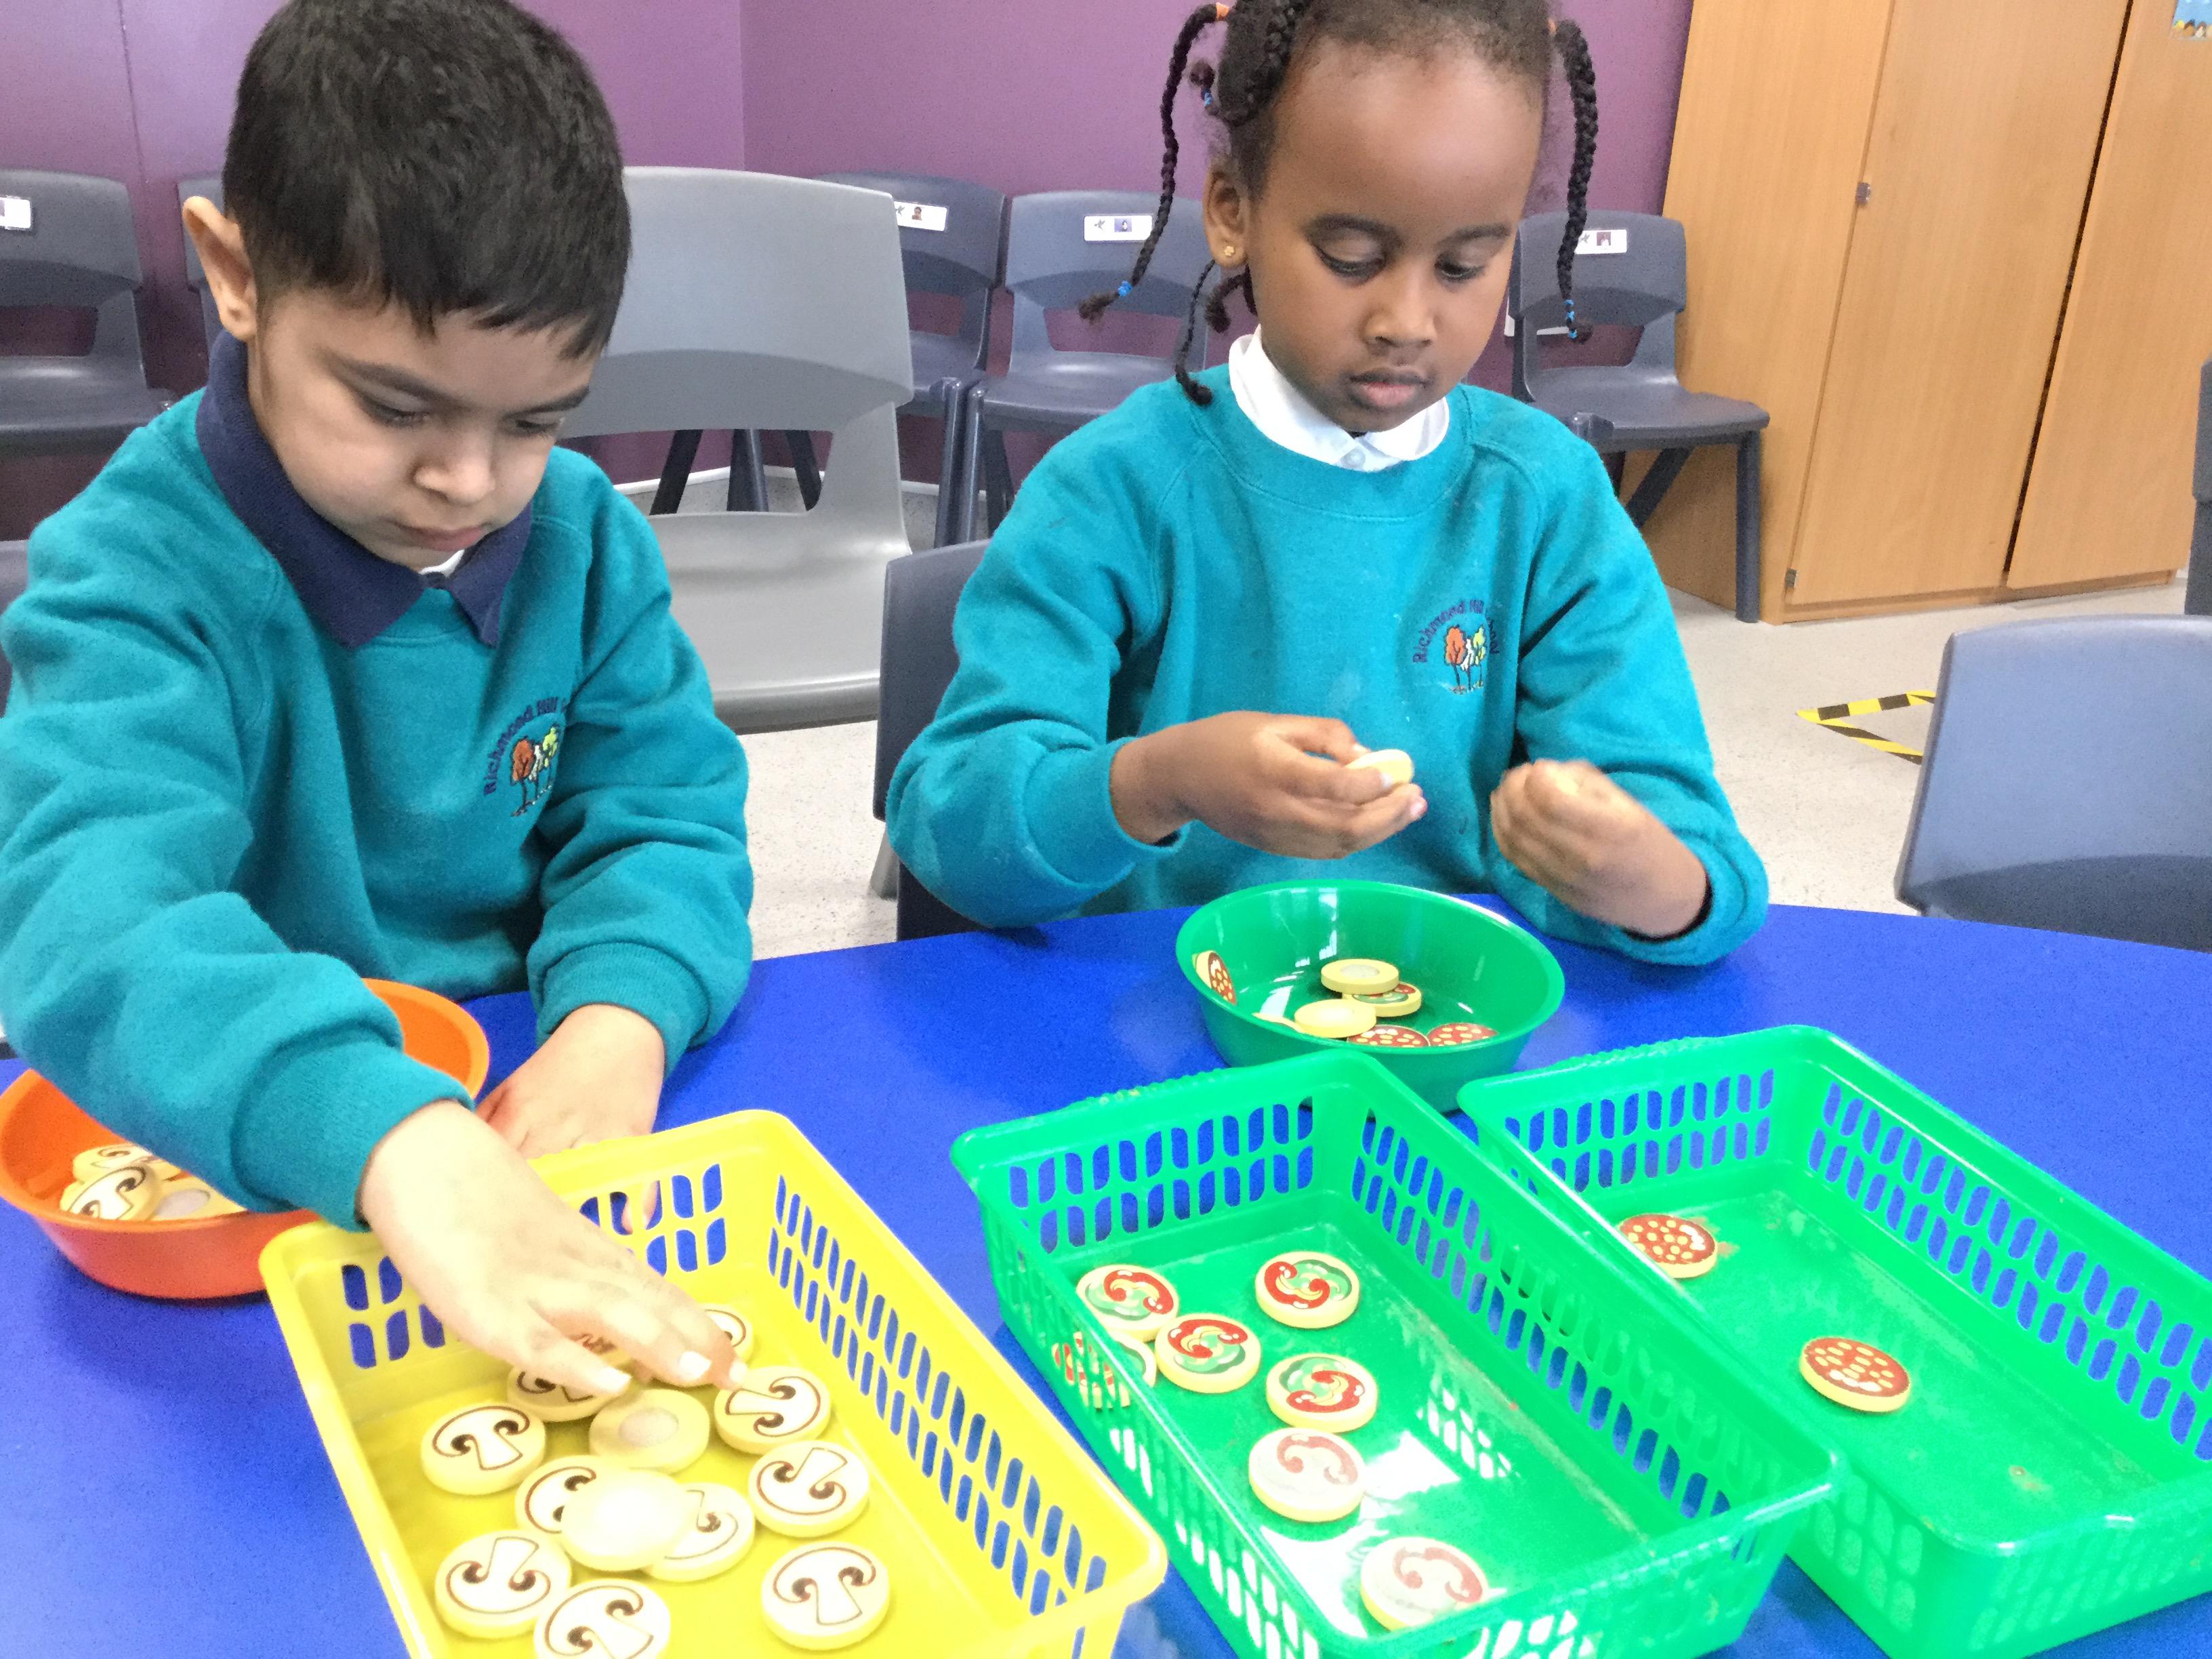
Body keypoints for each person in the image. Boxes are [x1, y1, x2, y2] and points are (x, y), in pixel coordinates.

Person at [0, 0, 751, 1396]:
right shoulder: (130, 570)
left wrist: (621, 1019)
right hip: (254, 1133)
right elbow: (86, 915)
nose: (468, 482)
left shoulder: (586, 542)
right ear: (237, 276)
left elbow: (665, 817)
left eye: (535, 420)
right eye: (398, 408)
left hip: (524, 1093)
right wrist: (391, 1136)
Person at [889, 0, 1765, 966]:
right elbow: (953, 824)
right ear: (1233, 212)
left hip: (1444, 1021)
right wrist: (1156, 781)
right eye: (1352, 259)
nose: (1406, 321)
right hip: (1161, 1014)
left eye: (1465, 265)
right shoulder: (1114, 488)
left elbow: (1702, 855)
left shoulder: (1547, 498)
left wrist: (1656, 886)